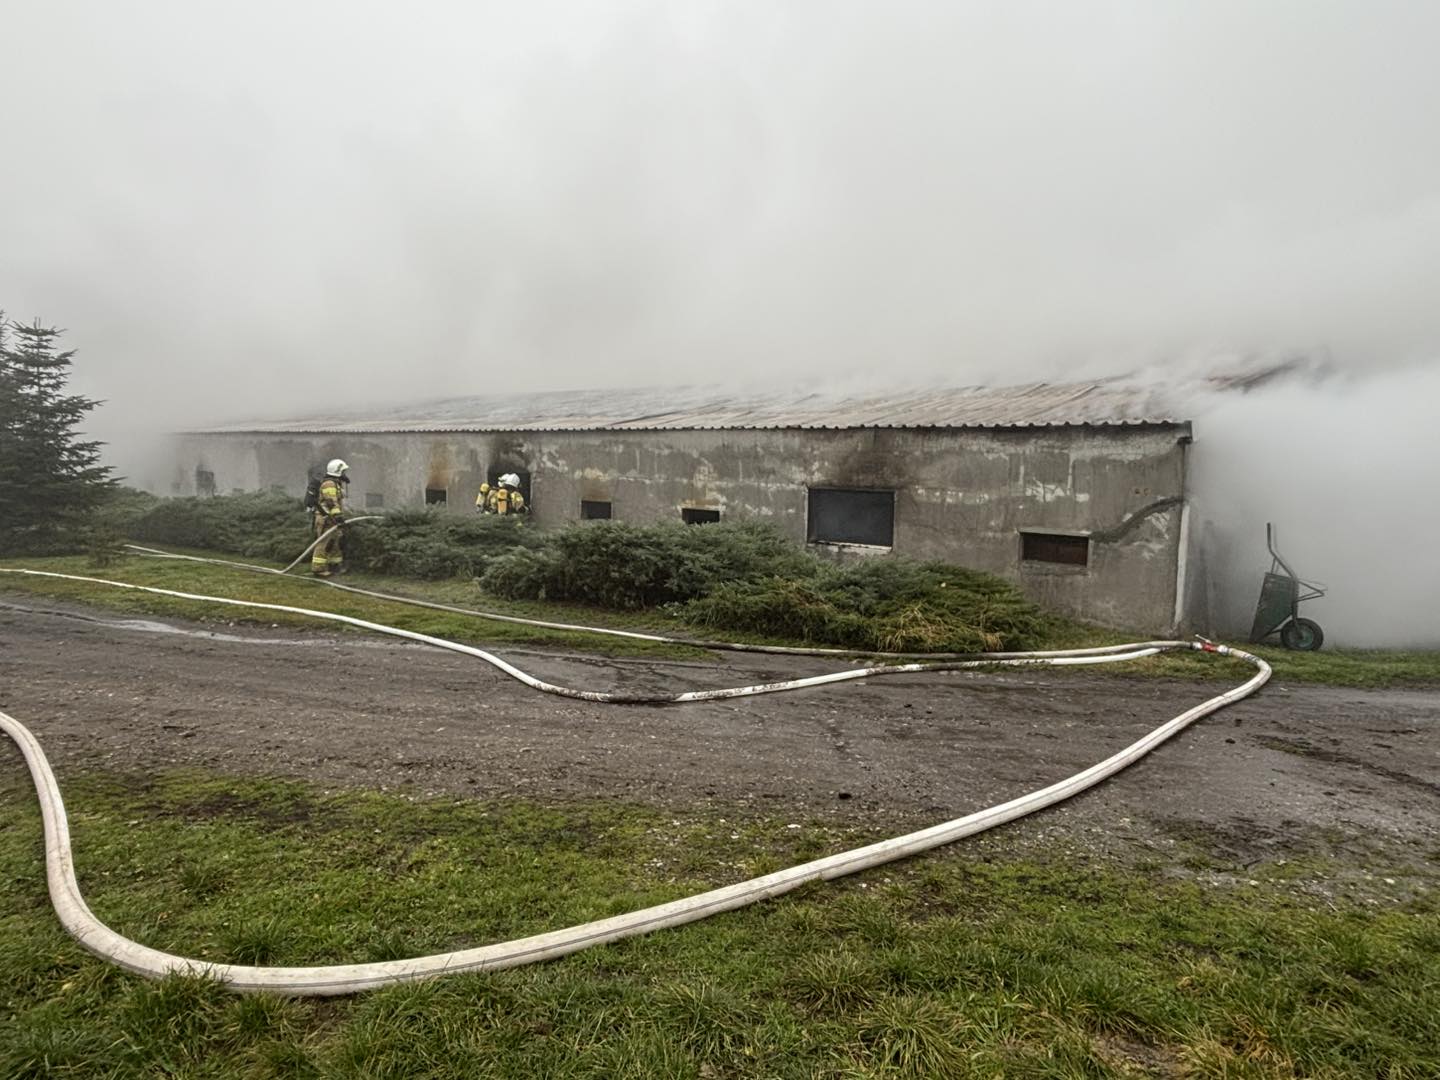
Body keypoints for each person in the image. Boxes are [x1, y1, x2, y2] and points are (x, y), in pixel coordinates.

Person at [312, 458, 351, 577]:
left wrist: (338, 517)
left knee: (335, 542)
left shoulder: (336, 483)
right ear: (338, 471)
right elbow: (331, 502)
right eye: (343, 471)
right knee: (323, 543)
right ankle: (318, 569)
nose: (345, 474)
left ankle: (335, 566)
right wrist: (338, 516)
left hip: (332, 519)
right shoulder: (329, 484)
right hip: (326, 519)